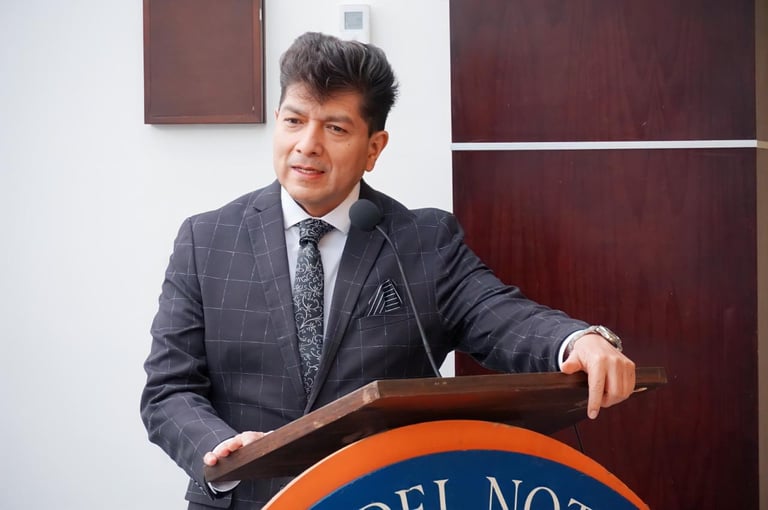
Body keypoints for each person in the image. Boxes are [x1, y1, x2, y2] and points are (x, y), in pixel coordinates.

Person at [140, 31, 636, 509]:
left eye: (335, 128)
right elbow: (169, 389)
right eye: (294, 121)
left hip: (384, 497)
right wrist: (226, 452)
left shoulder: (422, 240)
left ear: (374, 148)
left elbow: (500, 314)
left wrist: (578, 341)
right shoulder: (206, 240)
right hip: (249, 500)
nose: (307, 144)